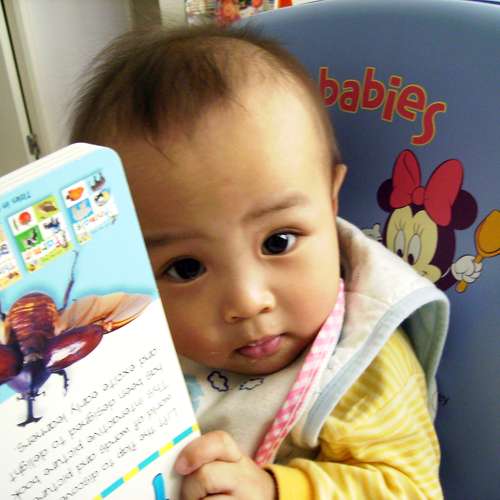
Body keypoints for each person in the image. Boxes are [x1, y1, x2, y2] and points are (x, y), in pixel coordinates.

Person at [70, 25, 449, 499]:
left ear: (330, 201)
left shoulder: (364, 361)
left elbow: (412, 489)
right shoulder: (138, 340)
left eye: (278, 241)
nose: (247, 301)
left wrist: (275, 490)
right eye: (186, 268)